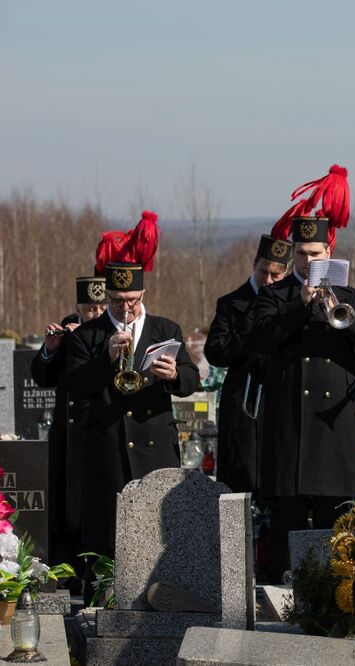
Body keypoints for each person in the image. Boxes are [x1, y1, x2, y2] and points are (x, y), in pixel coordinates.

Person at [251, 214, 355, 583]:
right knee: (287, 527)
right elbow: (260, 340)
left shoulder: (349, 297)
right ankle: (284, 596)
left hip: (334, 432)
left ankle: (340, 593)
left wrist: (342, 315)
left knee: (337, 525)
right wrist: (299, 305)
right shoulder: (275, 295)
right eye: (300, 254)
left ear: (330, 252)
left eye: (315, 253)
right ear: (291, 255)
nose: (308, 262)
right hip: (291, 430)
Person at [66, 222, 200, 560]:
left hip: (154, 447)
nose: (126, 310)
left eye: (133, 302)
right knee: (108, 538)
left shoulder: (165, 329)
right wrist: (107, 356)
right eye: (117, 303)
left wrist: (173, 375)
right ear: (107, 296)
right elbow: (75, 385)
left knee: (158, 536)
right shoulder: (87, 336)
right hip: (107, 449)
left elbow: (191, 379)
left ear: (142, 296)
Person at [31, 275, 107, 573]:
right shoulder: (67, 327)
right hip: (68, 429)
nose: (95, 316)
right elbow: (42, 377)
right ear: (77, 308)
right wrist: (52, 348)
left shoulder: (111, 332)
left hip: (98, 426)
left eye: (101, 308)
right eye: (89, 310)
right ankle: (64, 567)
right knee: (65, 499)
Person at [205, 234, 292, 495]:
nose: (267, 279)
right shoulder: (232, 303)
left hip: (278, 399)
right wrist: (254, 336)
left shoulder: (290, 302)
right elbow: (216, 352)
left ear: (285, 272)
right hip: (243, 400)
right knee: (242, 475)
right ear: (254, 265)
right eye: (263, 271)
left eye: (275, 275)